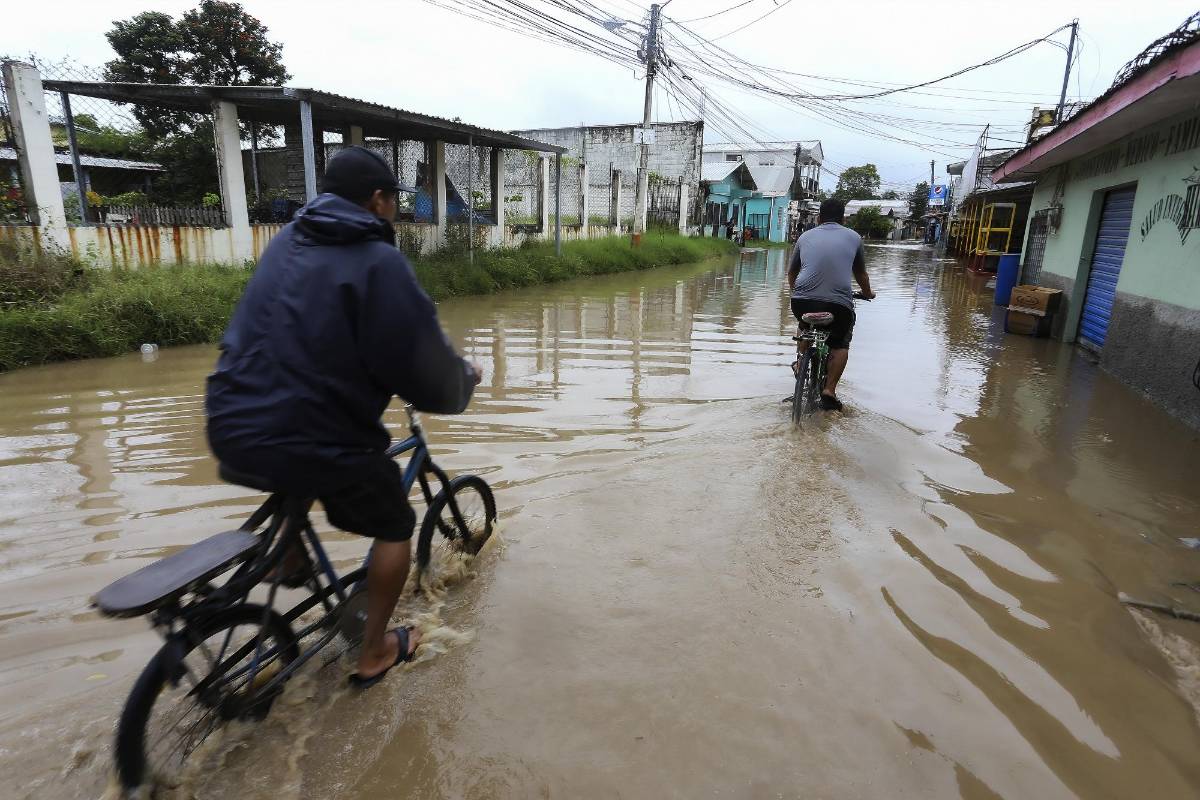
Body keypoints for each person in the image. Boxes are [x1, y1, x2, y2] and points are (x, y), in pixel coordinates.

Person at [206, 146, 481, 689]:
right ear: (377, 200)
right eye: (395, 201)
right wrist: (462, 379)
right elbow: (420, 360)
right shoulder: (378, 261)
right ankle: (374, 651)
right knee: (395, 525)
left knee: (292, 460)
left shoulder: (285, 241)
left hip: (231, 418)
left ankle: (288, 555)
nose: (396, 211)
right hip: (310, 433)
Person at [786, 198, 875, 411]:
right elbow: (861, 274)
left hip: (802, 301)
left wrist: (796, 292)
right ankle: (829, 391)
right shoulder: (854, 237)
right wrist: (867, 293)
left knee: (804, 324)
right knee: (840, 343)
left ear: (818, 218)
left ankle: (800, 362)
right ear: (843, 219)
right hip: (839, 305)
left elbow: (792, 272)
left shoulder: (805, 236)